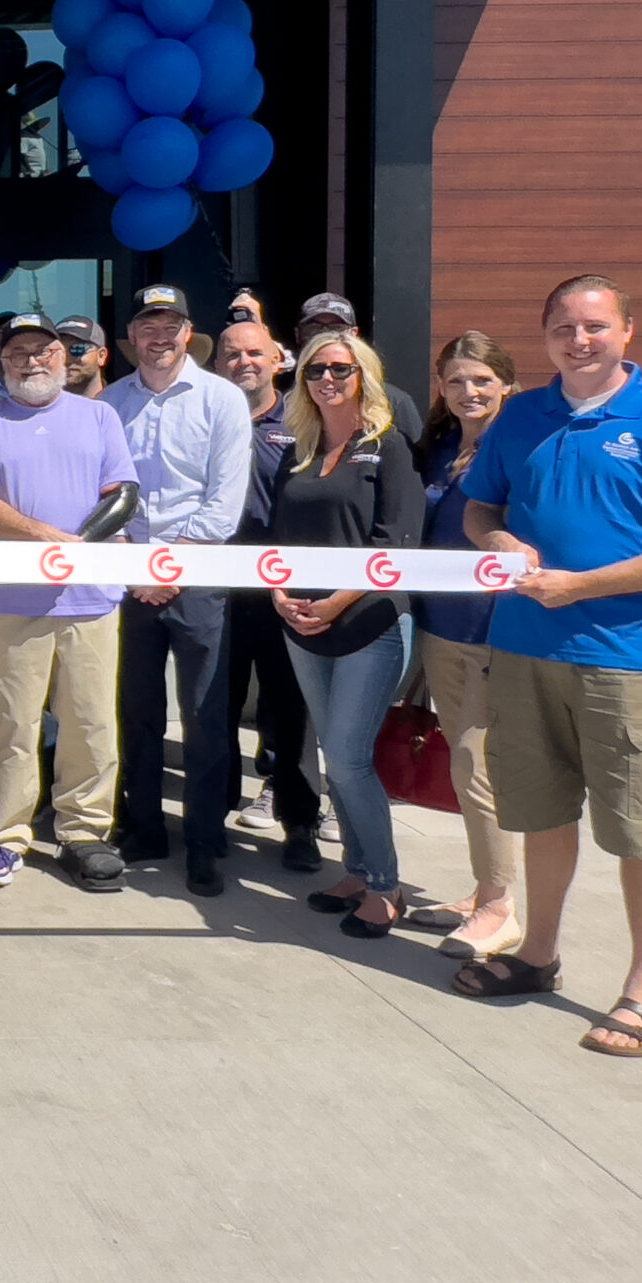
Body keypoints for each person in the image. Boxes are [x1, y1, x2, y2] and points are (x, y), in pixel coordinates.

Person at [451, 276, 642, 1060]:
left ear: (627, 332)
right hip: (523, 653)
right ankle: (537, 954)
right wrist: (497, 541)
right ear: (544, 337)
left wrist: (583, 586)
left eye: (595, 326)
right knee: (541, 813)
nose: (579, 340)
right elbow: (481, 507)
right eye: (563, 328)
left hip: (626, 661)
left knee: (641, 828)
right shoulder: (522, 419)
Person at [0, 315, 136, 894]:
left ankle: (84, 834)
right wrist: (45, 537)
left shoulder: (101, 415)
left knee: (90, 721)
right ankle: (7, 837)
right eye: (18, 352)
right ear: (0, 362)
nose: (32, 360)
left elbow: (123, 494)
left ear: (65, 355)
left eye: (44, 349)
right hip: (10, 600)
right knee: (10, 722)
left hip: (90, 600)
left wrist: (77, 546)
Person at [265, 329, 421, 939]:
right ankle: (356, 872)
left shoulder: (389, 445)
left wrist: (335, 602)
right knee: (335, 759)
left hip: (370, 623)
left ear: (364, 375)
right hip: (302, 624)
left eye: (340, 368)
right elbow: (278, 536)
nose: (326, 379)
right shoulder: (298, 449)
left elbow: (396, 541)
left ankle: (385, 887)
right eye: (314, 370)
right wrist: (281, 593)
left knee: (351, 761)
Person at [103, 285, 254, 896]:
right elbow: (104, 495)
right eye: (147, 325)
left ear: (188, 333)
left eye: (170, 325)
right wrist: (134, 567)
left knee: (204, 716)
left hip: (196, 579)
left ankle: (203, 842)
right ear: (131, 337)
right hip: (129, 578)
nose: (158, 336)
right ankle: (143, 828)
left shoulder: (222, 400)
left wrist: (169, 569)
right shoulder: (110, 403)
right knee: (135, 711)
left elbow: (224, 505)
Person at [404, 330, 522, 960]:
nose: (468, 391)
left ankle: (501, 908)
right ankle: (482, 892)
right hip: (439, 628)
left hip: (494, 633)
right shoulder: (439, 446)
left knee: (478, 768)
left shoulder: (522, 446)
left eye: (481, 379)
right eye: (455, 381)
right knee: (463, 763)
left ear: (505, 382)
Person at [213, 316, 322, 867]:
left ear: (278, 360)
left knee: (291, 708)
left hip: (285, 586)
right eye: (231, 355)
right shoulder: (209, 415)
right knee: (217, 704)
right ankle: (212, 817)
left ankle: (300, 823)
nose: (243, 363)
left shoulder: (305, 420)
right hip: (221, 584)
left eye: (254, 353)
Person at [294, 294, 424, 441]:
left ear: (354, 334)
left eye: (336, 328)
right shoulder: (289, 402)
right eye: (314, 328)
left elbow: (416, 459)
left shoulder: (394, 402)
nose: (325, 336)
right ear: (298, 334)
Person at [59, 316, 110, 398]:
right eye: (59, 351)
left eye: (78, 349)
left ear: (101, 356)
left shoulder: (119, 405)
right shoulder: (39, 408)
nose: (67, 359)